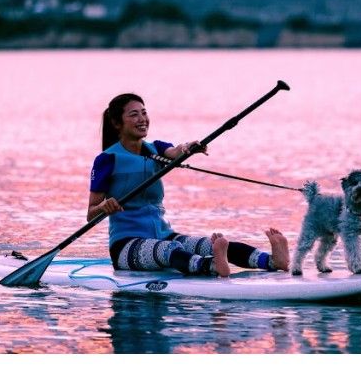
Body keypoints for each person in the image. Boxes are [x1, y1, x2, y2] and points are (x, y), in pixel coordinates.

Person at [88, 93, 290, 278]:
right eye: (134, 115)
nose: (142, 119)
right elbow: (91, 213)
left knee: (209, 245)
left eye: (144, 113)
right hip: (125, 246)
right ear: (117, 123)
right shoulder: (107, 159)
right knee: (169, 251)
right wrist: (104, 207)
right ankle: (212, 267)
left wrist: (188, 148)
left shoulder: (155, 148)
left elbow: (175, 152)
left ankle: (272, 261)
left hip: (164, 234)